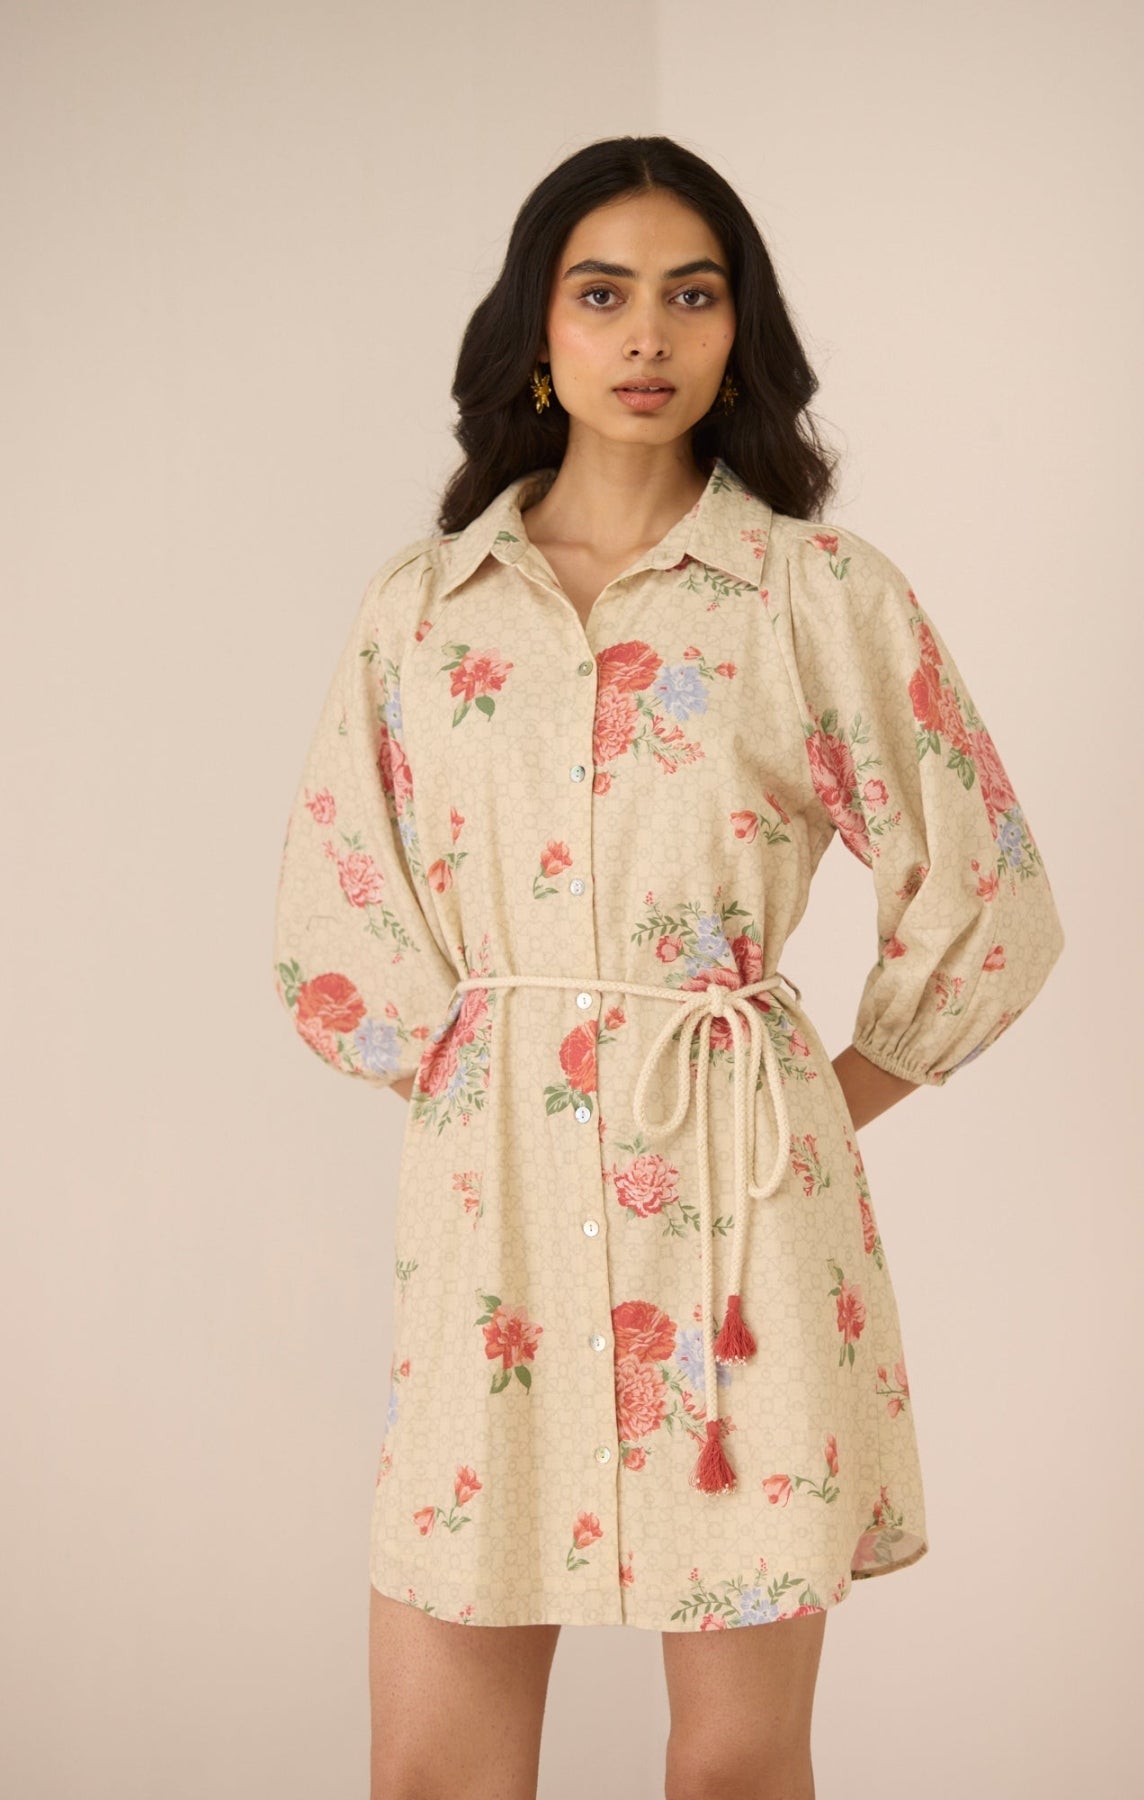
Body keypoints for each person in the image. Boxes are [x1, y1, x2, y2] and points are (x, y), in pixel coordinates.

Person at [272, 135, 1065, 1800]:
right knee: (434, 1774)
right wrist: (500, 1080)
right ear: (538, 335)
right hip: (491, 1242)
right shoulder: (424, 612)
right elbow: (340, 932)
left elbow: (984, 891)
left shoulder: (815, 596)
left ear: (737, 332)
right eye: (604, 293)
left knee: (735, 1769)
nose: (649, 336)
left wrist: (818, 1109)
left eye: (692, 296)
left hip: (744, 1236)